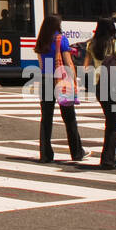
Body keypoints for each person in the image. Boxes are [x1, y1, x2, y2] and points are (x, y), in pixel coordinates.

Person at [34, 14, 85, 164]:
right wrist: (74, 81)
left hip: (45, 79)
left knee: (46, 118)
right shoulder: (61, 39)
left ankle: (45, 154)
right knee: (69, 118)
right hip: (61, 80)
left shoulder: (41, 40)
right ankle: (76, 152)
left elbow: (41, 65)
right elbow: (68, 62)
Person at [81, 18, 116, 169]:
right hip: (114, 86)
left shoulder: (91, 44)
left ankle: (108, 157)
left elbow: (86, 67)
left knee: (108, 121)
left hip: (100, 86)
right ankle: (108, 159)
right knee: (112, 124)